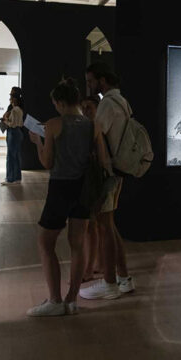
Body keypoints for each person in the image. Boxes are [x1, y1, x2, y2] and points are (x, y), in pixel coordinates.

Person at [27, 78, 93, 316]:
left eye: (55, 102)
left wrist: (37, 142)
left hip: (60, 188)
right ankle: (72, 299)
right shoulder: (90, 124)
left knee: (46, 242)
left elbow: (47, 162)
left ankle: (55, 300)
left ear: (61, 102)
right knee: (78, 244)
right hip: (84, 188)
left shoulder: (54, 124)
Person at [80, 63, 134, 300]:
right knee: (109, 226)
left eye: (91, 81)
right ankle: (123, 277)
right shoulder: (123, 102)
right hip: (119, 170)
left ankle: (110, 282)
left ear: (102, 81)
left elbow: (96, 136)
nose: (89, 85)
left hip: (106, 173)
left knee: (104, 226)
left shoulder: (108, 105)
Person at [80, 95, 101, 282]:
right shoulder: (88, 127)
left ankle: (90, 267)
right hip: (89, 180)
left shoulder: (96, 128)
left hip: (94, 181)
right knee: (94, 226)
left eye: (89, 107)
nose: (85, 110)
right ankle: (97, 264)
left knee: (92, 226)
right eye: (83, 107)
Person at [1, 87, 24, 185]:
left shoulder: (15, 110)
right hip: (17, 133)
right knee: (16, 155)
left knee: (11, 156)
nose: (10, 97)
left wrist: (4, 120)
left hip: (13, 132)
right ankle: (17, 178)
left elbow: (12, 124)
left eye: (11, 95)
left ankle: (10, 178)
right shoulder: (18, 109)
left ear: (15, 98)